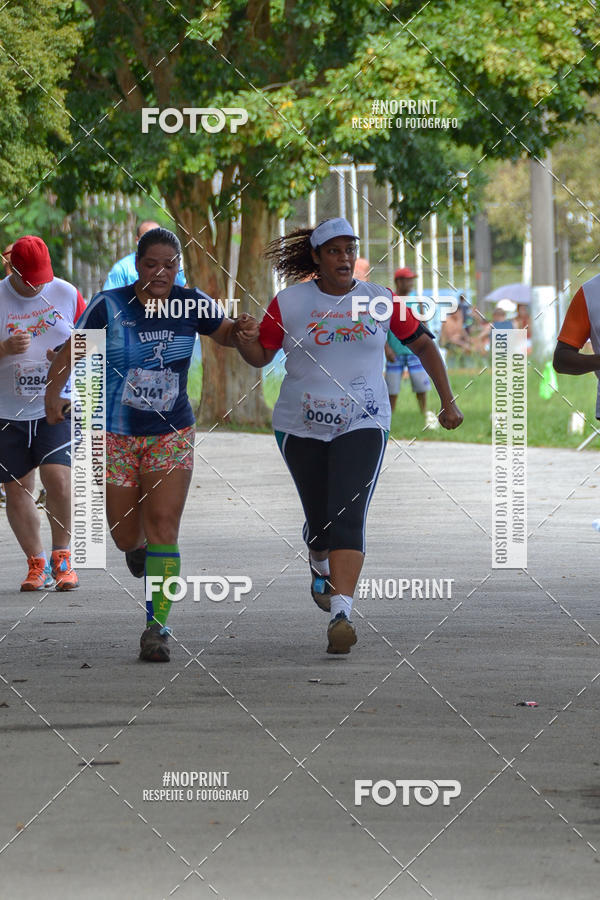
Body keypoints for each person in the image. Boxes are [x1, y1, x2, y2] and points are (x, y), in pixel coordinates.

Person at [237, 218, 463, 655]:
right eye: (334, 251)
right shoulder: (290, 302)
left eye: (349, 250)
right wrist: (246, 339)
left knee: (349, 513)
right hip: (299, 426)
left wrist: (447, 401)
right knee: (321, 524)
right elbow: (260, 354)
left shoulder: (379, 300)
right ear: (317, 258)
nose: (344, 258)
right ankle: (317, 555)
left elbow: (423, 345)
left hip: (365, 422)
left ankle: (342, 612)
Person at [46, 227, 258, 663]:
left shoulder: (190, 301)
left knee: (164, 526)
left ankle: (157, 626)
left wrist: (243, 330)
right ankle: (138, 551)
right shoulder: (111, 304)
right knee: (125, 535)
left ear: (178, 267)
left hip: (171, 433)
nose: (160, 272)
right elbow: (73, 348)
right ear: (137, 264)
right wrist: (55, 393)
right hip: (117, 434)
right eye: (151, 263)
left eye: (170, 264)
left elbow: (225, 332)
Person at [0, 235, 85, 590]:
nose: (37, 285)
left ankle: (62, 556)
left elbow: (94, 341)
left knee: (59, 478)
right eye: (29, 279)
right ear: (12, 270)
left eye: (42, 278)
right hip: (7, 412)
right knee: (17, 489)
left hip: (56, 404)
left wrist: (67, 356)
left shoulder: (66, 293)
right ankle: (36, 564)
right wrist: (3, 348)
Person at [384, 267, 437, 428]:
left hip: (414, 352)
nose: (411, 283)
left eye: (412, 279)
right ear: (398, 282)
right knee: (392, 387)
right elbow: (382, 327)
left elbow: (424, 326)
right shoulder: (389, 301)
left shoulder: (418, 301)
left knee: (420, 384)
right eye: (408, 279)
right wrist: (386, 348)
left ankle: (424, 413)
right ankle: (391, 417)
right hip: (395, 351)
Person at [103, 220, 185, 289]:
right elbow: (109, 302)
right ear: (137, 240)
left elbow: (185, 291)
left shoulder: (173, 265)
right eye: (147, 238)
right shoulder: (122, 269)